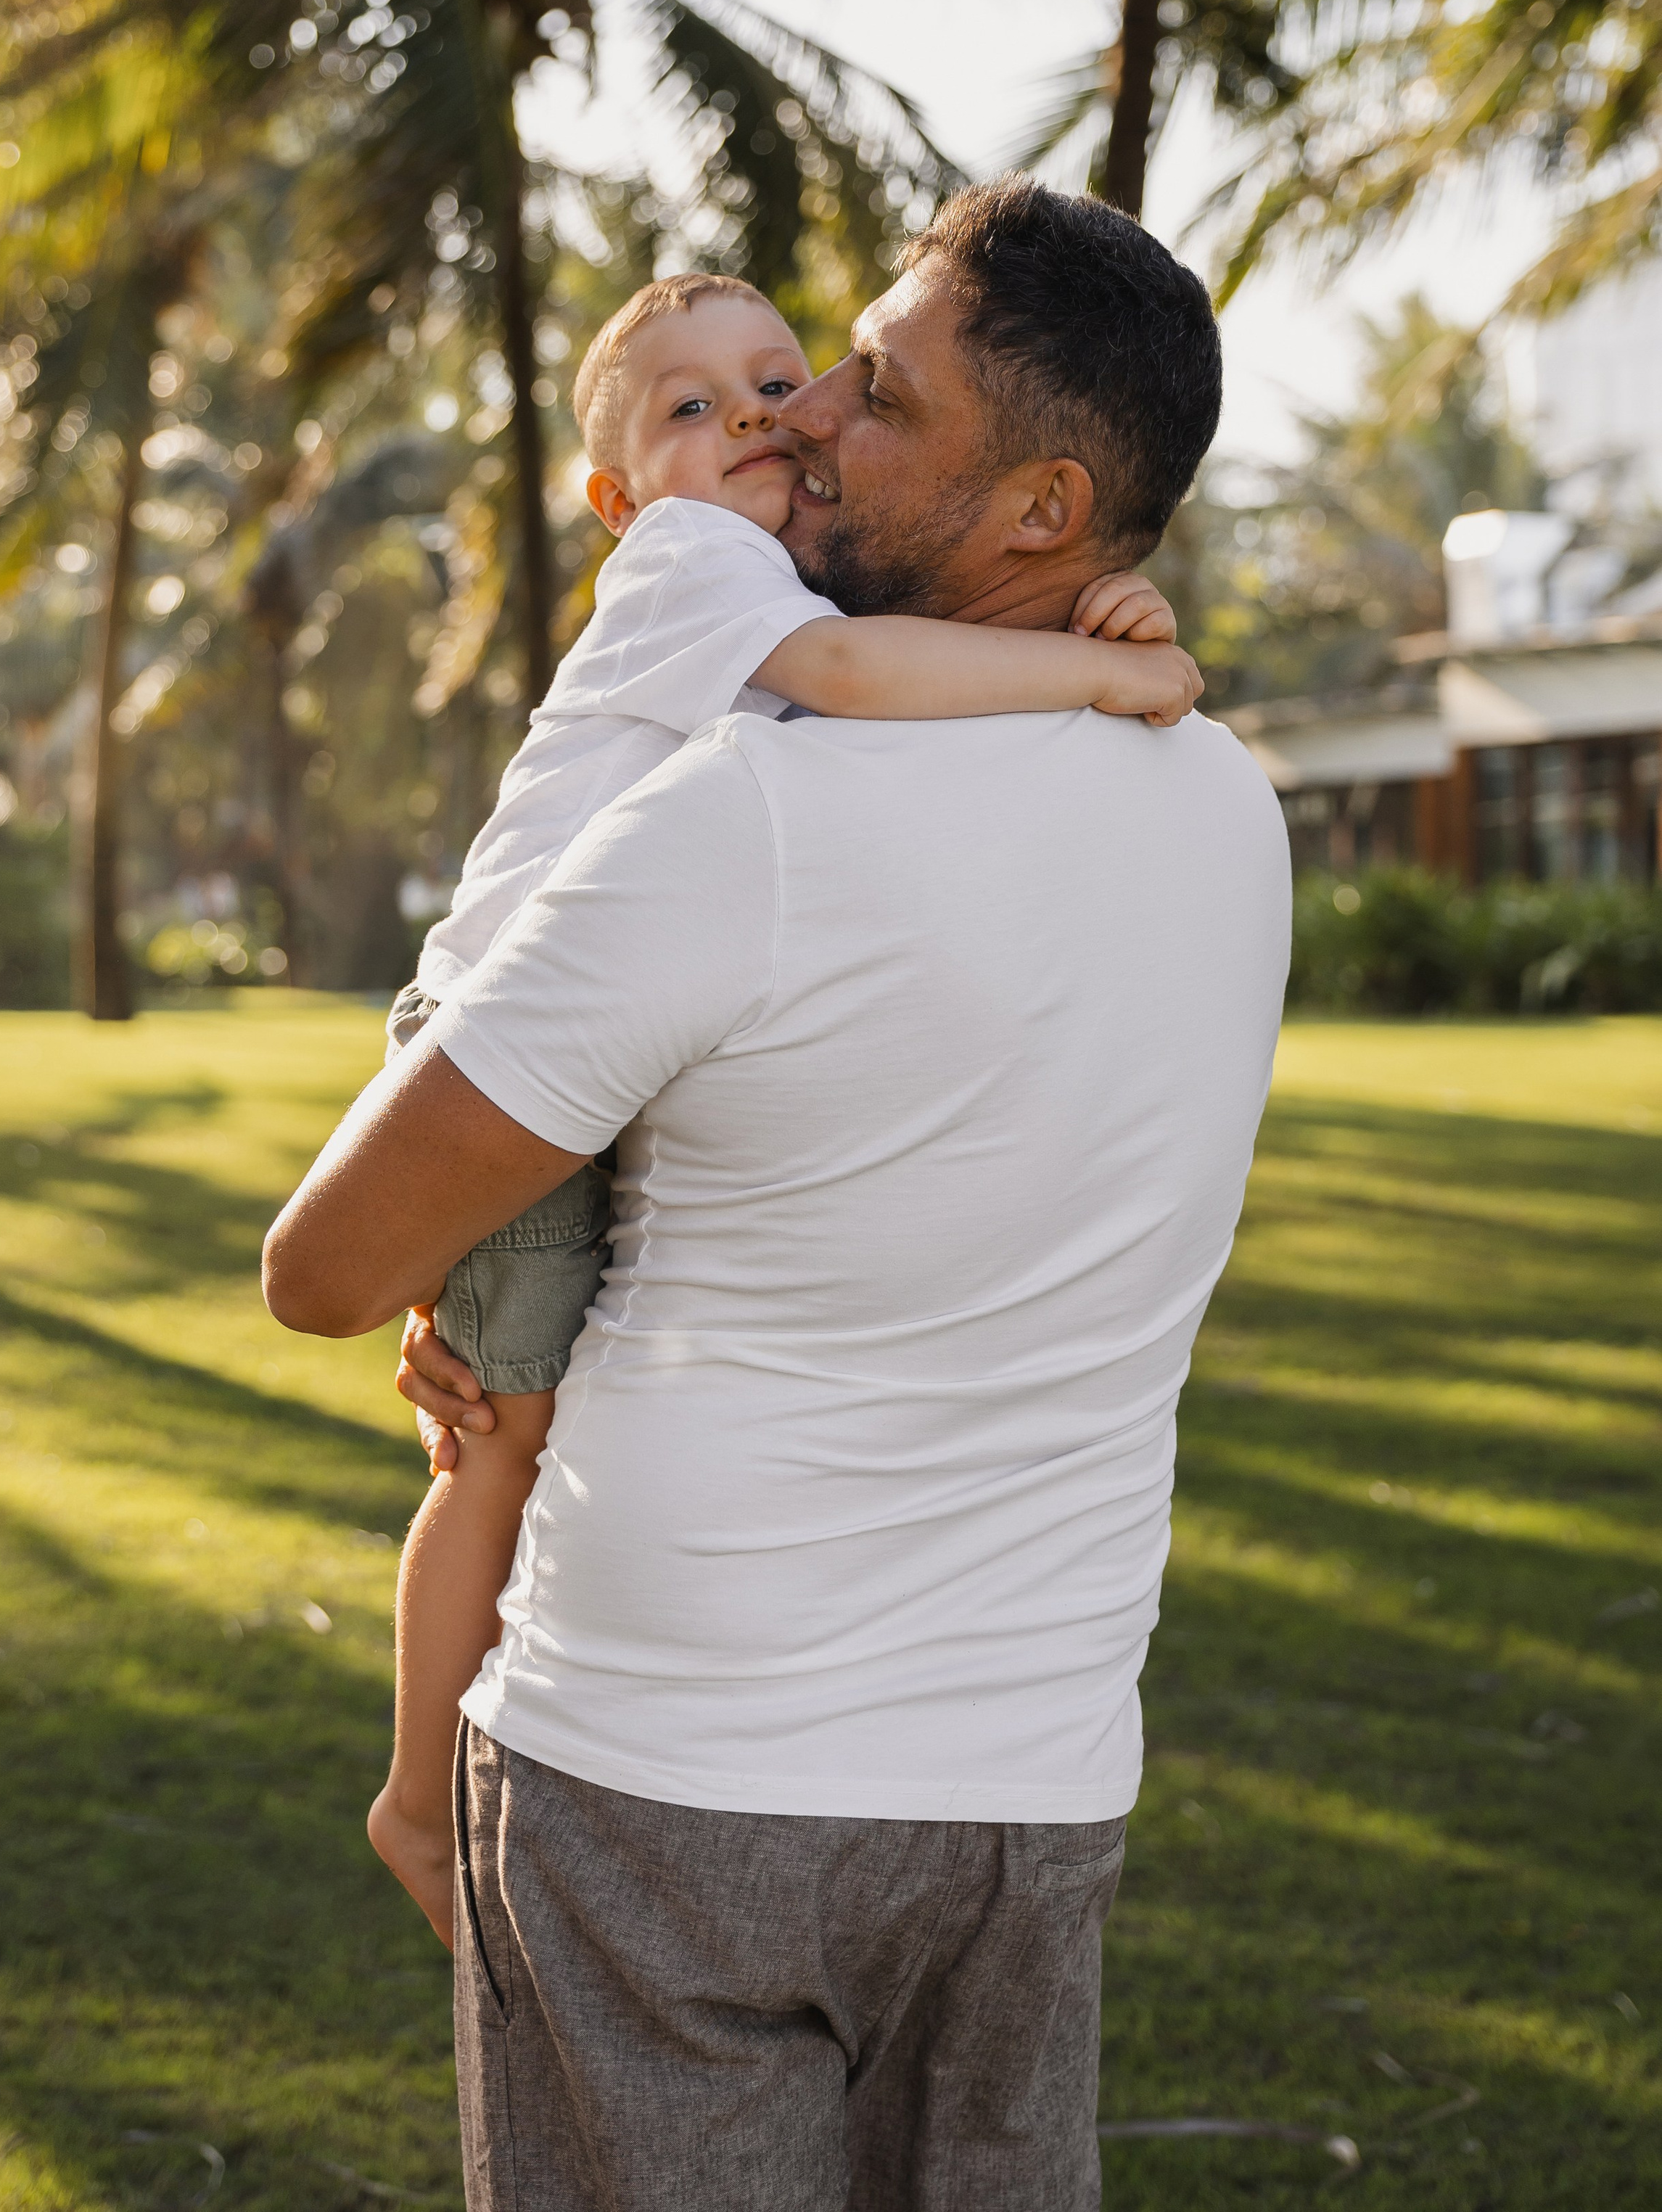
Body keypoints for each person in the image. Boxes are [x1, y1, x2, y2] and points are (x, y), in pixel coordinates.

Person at [264, 177, 1291, 2212]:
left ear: (1037, 510)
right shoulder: (1234, 809)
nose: (805, 412)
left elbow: (324, 1265)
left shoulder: (747, 808)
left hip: (672, 1787)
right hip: (1032, 1796)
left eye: (877, 393)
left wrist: (471, 1254)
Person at [368, 268, 1201, 1939]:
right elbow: (851, 676)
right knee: (498, 1442)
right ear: (616, 500)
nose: (758, 416)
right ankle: (415, 1792)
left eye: (774, 377)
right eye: (691, 409)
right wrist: (1093, 677)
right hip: (497, 1027)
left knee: (548, 1421)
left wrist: (1109, 617)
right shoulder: (692, 568)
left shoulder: (759, 572)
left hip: (598, 1056)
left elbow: (891, 669)